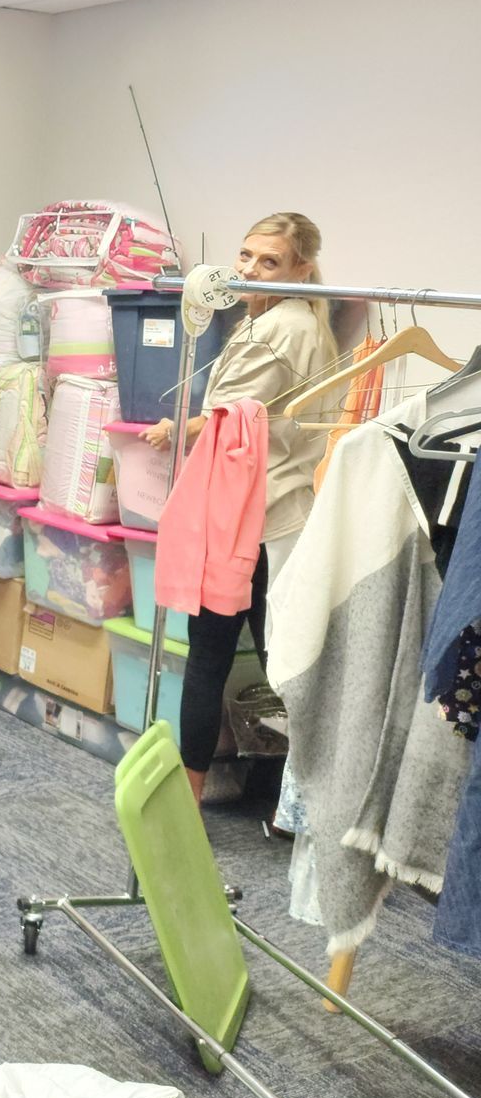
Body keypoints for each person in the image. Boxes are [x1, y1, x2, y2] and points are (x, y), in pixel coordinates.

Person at [145, 213, 335, 801]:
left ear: (303, 269)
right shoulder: (277, 320)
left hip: (255, 518)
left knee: (228, 664)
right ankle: (288, 804)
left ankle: (199, 799)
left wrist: (186, 426)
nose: (250, 268)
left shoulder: (284, 325)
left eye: (269, 261)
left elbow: (232, 421)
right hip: (264, 515)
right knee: (282, 666)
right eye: (247, 255)